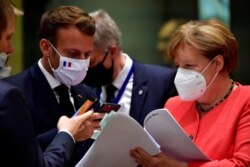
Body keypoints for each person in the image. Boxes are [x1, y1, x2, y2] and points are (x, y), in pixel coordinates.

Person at [130, 19, 250, 166]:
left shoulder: (245, 100)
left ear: (218, 63)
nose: (181, 74)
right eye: (178, 66)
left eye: (189, 66)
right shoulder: (173, 105)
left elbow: (243, 163)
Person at [0, 0, 103, 166]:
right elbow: (18, 155)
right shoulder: (13, 93)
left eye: (87, 54)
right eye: (73, 53)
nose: (82, 62)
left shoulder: (88, 96)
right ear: (46, 48)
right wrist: (67, 133)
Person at [82, 9, 177, 125]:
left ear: (112, 51)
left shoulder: (162, 82)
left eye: (91, 62)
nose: (85, 69)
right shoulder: (83, 89)